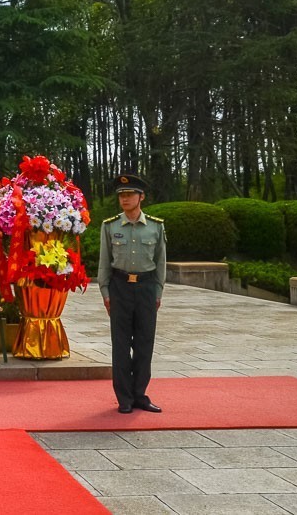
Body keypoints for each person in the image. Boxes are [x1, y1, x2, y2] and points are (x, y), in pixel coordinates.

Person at [98, 173, 167, 414]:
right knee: (121, 344)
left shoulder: (156, 226)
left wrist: (158, 291)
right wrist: (105, 292)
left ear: (141, 197)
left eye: (129, 195)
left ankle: (140, 395)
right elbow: (104, 264)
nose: (125, 199)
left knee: (145, 343)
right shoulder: (110, 226)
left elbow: (161, 263)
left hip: (147, 288)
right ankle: (124, 398)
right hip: (120, 287)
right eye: (121, 195)